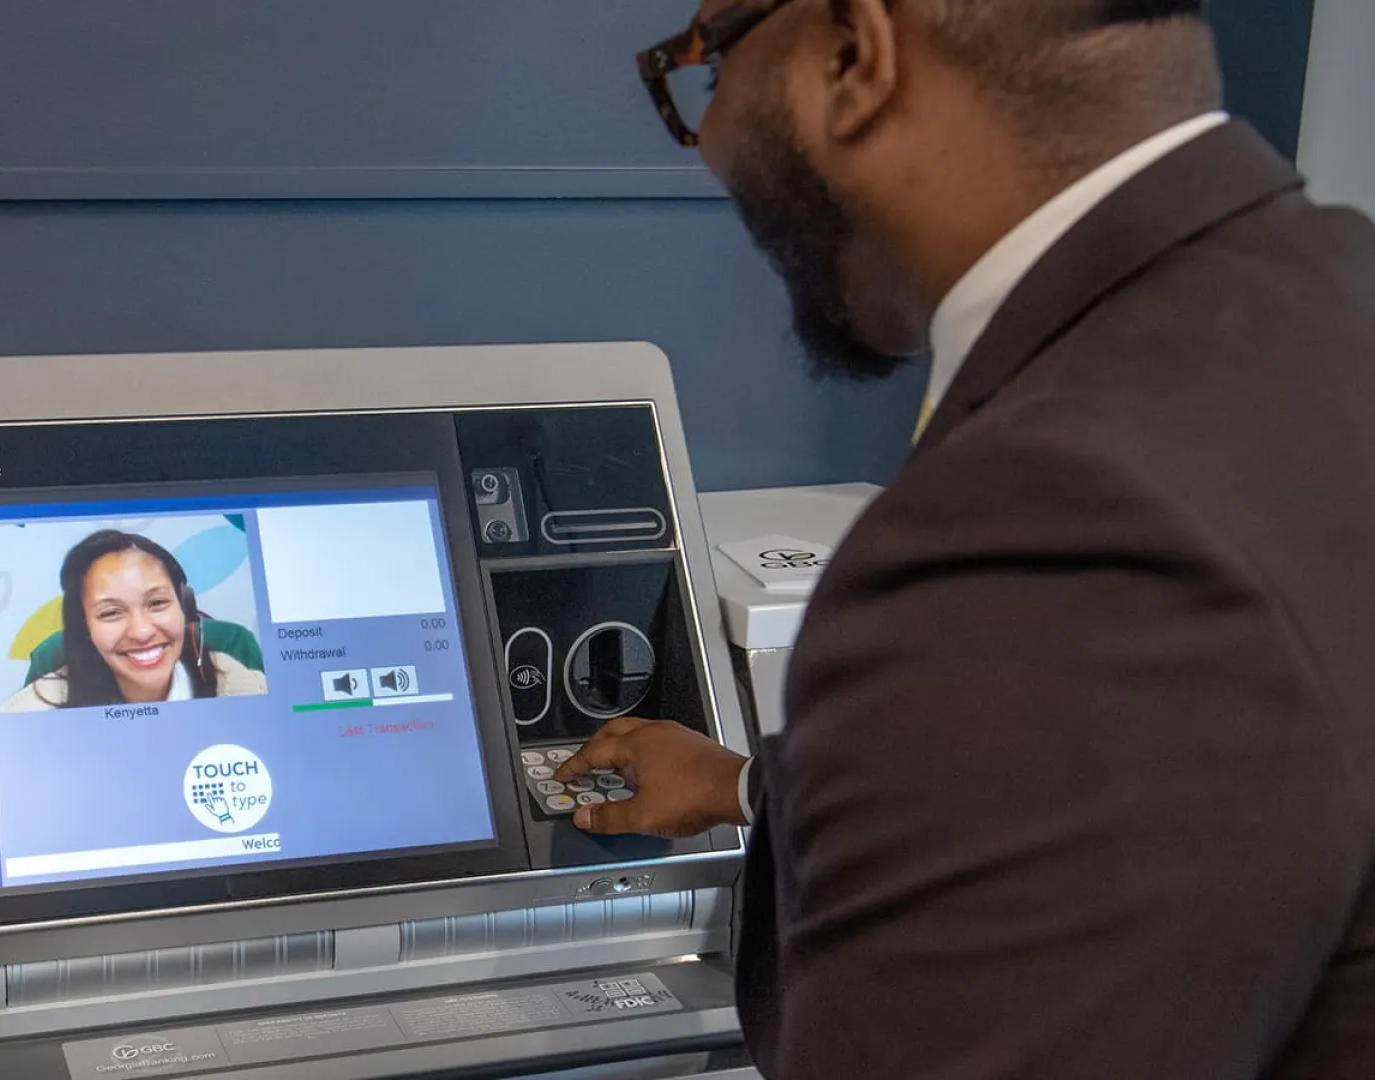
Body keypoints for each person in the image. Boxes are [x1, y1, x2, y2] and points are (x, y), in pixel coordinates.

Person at [557, 1, 1375, 1076]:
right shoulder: (1331, 293)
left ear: (854, 54)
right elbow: (1159, 796)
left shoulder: (1045, 516)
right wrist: (752, 788)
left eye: (706, 70)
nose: (708, 140)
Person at [0, 530, 267, 710]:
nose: (141, 632)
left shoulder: (247, 691)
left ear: (185, 607)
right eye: (111, 613)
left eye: (157, 603)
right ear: (85, 626)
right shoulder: (31, 711)